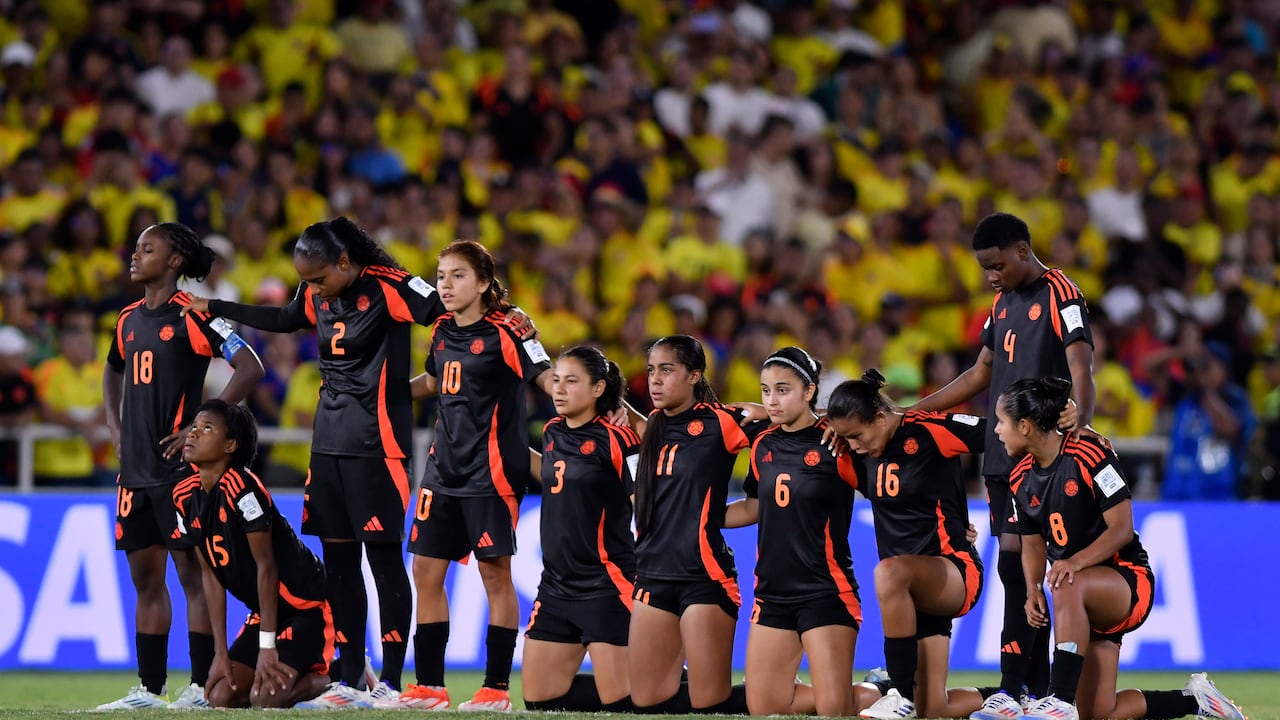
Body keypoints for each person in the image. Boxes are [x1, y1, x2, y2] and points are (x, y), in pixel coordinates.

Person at [184, 216, 454, 706]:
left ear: (347, 262)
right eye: (306, 281)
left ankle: (393, 680)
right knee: (341, 565)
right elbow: (286, 318)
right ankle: (351, 677)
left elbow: (447, 316)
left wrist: (430, 377)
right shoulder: (316, 295)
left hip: (378, 447)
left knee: (385, 563)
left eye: (319, 279)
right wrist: (217, 306)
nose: (313, 291)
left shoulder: (390, 287)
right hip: (327, 447)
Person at [912, 212, 1096, 714]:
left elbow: (1081, 362)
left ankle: (1024, 686)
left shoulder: (1061, 292)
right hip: (1003, 455)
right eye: (985, 270)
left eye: (997, 266)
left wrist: (1084, 412)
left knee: (1039, 570)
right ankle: (1025, 687)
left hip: (1046, 457)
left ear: (1021, 250)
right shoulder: (1001, 302)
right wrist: (914, 410)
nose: (991, 277)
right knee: (1015, 570)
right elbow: (978, 375)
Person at [995, 378, 1245, 720]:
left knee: (1067, 580)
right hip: (1079, 599)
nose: (996, 430)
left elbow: (1122, 528)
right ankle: (1195, 700)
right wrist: (1032, 589)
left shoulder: (1090, 453)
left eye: (1002, 422)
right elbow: (1033, 542)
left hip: (1126, 580)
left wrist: (1073, 562)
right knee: (1099, 712)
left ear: (1024, 426)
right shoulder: (1019, 477)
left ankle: (1059, 699)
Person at [98, 223, 265, 710]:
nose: (135, 255)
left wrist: (200, 424)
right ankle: (149, 691)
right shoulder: (127, 319)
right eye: (135, 248)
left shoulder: (194, 316)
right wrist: (114, 423)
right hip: (135, 472)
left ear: (173, 262)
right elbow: (113, 369)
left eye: (147, 249)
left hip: (179, 476)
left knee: (195, 577)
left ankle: (198, 685)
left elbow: (250, 365)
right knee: (146, 581)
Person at [386, 240, 553, 711]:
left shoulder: (507, 332)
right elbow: (438, 381)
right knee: (425, 570)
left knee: (494, 576)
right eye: (441, 275)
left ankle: (496, 689)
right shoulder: (439, 329)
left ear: (483, 283)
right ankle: (431, 687)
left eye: (458, 275)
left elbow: (549, 380)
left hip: (491, 474)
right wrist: (384, 394)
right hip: (441, 471)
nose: (446, 284)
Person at [724, 347, 881, 717]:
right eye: (766, 391)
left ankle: (883, 691)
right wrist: (701, 515)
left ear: (809, 390)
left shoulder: (838, 442)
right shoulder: (763, 443)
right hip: (772, 594)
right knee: (765, 707)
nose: (772, 401)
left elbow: (889, 491)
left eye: (783, 390)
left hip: (825, 591)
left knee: (833, 710)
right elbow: (756, 506)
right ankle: (869, 690)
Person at [826, 370, 987, 720]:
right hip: (910, 597)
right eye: (846, 437)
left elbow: (1003, 434)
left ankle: (897, 691)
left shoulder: (929, 430)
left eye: (857, 435)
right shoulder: (858, 453)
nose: (854, 445)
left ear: (881, 416)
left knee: (888, 571)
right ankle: (1003, 698)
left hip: (952, 571)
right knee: (934, 708)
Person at [175, 400, 332, 709]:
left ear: (230, 444)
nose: (193, 434)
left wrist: (267, 646)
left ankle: (344, 675)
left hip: (307, 607)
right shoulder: (183, 496)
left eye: (207, 429)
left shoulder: (243, 488)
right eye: (194, 427)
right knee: (221, 696)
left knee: (267, 699)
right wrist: (220, 654)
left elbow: (267, 568)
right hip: (266, 613)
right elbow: (211, 575)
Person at [628, 335, 752, 714]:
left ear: (695, 375)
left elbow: (781, 424)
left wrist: (720, 515)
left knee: (707, 703)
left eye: (667, 370)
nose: (655, 380)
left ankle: (771, 689)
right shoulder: (652, 424)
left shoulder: (722, 421)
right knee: (646, 700)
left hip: (704, 575)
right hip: (651, 573)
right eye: (651, 371)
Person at [522, 346, 640, 712]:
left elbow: (646, 501)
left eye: (572, 381)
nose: (559, 389)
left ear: (598, 389)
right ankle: (658, 677)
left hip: (605, 583)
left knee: (622, 702)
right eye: (556, 380)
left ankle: (711, 690)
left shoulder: (618, 438)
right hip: (556, 585)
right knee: (540, 699)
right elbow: (552, 474)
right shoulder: (552, 430)